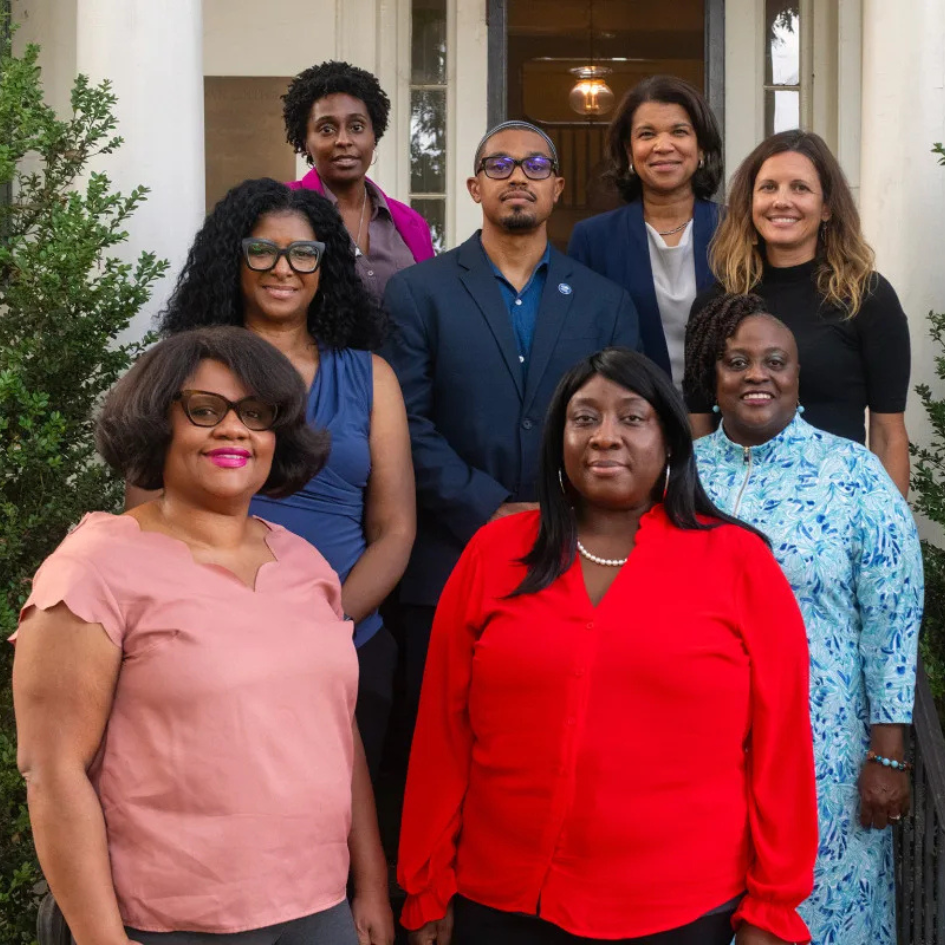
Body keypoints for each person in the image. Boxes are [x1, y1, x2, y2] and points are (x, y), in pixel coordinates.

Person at [398, 346, 818, 945]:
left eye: (632, 417)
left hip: (679, 909)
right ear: (559, 439)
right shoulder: (495, 553)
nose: (604, 436)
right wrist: (427, 881)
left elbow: (782, 747)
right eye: (585, 418)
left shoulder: (739, 562)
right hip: (500, 898)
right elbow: (442, 731)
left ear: (670, 441)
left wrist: (771, 908)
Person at [13, 327, 394, 945]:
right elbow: (53, 772)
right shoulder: (92, 569)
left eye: (256, 413)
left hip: (319, 910)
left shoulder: (306, 565)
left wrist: (370, 883)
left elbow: (336, 730)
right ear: (157, 422)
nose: (234, 430)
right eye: (205, 410)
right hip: (170, 920)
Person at [152, 179, 415, 781]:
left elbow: (395, 529)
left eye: (303, 253)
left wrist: (325, 625)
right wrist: (230, 627)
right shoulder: (184, 374)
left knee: (347, 819)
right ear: (234, 259)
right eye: (262, 250)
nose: (283, 269)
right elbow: (148, 519)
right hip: (211, 645)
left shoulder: (371, 377)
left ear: (325, 266)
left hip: (346, 642)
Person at [382, 121, 642, 718]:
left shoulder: (606, 303)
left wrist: (564, 511)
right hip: (448, 561)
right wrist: (489, 507)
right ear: (475, 188)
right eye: (499, 165)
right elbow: (404, 424)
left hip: (575, 558)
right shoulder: (417, 292)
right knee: (439, 739)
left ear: (557, 188)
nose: (518, 176)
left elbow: (624, 426)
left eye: (535, 166)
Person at [686, 294, 923, 945]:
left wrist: (887, 753)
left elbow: (893, 618)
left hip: (823, 754)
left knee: (821, 913)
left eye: (774, 361)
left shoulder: (852, 472)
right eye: (737, 361)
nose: (756, 375)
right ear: (713, 376)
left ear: (797, 375)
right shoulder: (680, 473)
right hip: (698, 752)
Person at [687, 130, 911, 495]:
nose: (782, 201)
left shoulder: (867, 297)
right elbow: (699, 427)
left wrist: (889, 520)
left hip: (837, 503)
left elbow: (888, 434)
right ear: (750, 202)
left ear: (827, 207)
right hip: (735, 506)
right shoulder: (716, 305)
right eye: (768, 187)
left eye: (800, 188)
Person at [567, 75, 723, 387]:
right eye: (647, 134)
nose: (662, 146)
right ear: (629, 151)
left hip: (725, 411)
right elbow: (581, 341)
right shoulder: (593, 239)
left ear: (701, 147)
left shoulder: (735, 229)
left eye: (679, 132)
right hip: (631, 406)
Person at [283, 60, 435, 302]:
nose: (343, 140)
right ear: (305, 142)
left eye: (356, 127)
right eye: (326, 129)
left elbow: (429, 304)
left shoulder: (412, 224)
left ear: (374, 136)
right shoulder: (280, 209)